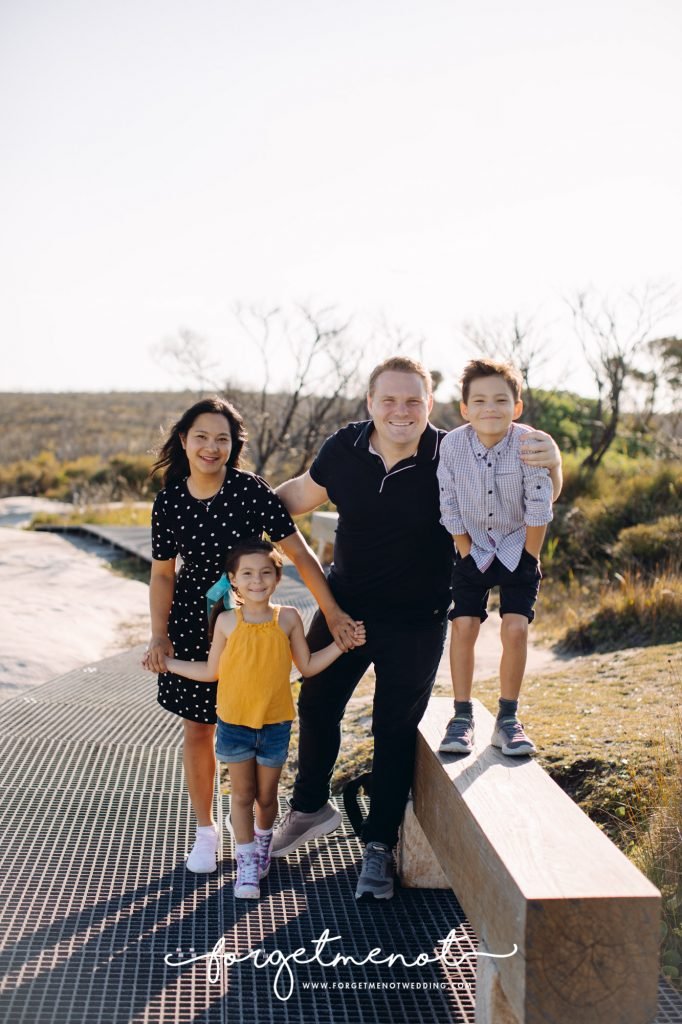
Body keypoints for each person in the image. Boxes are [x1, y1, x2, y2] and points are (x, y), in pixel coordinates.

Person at [269, 356, 562, 900]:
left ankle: (379, 847)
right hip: (346, 607)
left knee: (393, 731)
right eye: (389, 400)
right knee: (315, 704)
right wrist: (241, 509)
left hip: (418, 618)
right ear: (370, 403)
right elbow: (298, 496)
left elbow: (523, 495)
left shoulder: (453, 453)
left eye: (413, 401)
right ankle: (309, 808)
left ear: (430, 405)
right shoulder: (344, 448)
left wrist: (556, 465)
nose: (400, 411)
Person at [145, 396, 360, 875]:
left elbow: (302, 557)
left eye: (222, 438)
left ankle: (257, 834)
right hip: (193, 624)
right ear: (184, 440)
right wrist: (159, 637)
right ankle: (206, 831)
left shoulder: (251, 493)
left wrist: (335, 614)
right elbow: (162, 575)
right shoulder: (170, 501)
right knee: (198, 729)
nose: (211, 447)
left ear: (233, 446)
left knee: (253, 728)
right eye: (201, 436)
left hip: (254, 626)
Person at [143, 537, 366, 898]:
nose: (256, 580)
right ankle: (246, 863)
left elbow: (307, 666)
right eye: (246, 573)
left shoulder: (289, 619)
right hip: (234, 725)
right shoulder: (227, 622)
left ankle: (263, 843)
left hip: (275, 724)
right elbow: (211, 671)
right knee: (242, 795)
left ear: (277, 578)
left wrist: (341, 646)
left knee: (266, 797)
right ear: (232, 579)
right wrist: (168, 663)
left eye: (265, 573)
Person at [436, 359, 554, 758]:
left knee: (515, 629)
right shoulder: (451, 445)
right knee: (464, 625)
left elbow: (540, 505)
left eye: (501, 400)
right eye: (480, 400)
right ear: (465, 408)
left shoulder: (530, 442)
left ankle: (508, 719)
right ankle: (462, 716)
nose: (491, 408)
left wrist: (529, 558)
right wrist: (466, 552)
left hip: (519, 545)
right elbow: (448, 504)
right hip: (472, 547)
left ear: (516, 407)